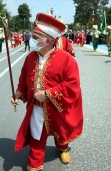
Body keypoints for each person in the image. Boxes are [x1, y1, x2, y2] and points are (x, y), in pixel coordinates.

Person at [11, 13, 83, 170]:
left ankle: (62, 148)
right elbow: (23, 78)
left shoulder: (66, 59)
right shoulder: (30, 57)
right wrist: (18, 93)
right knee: (37, 135)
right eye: (32, 35)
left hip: (59, 107)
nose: (31, 39)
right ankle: (35, 164)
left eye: (36, 37)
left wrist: (46, 94)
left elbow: (73, 85)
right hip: (36, 106)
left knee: (61, 133)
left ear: (48, 41)